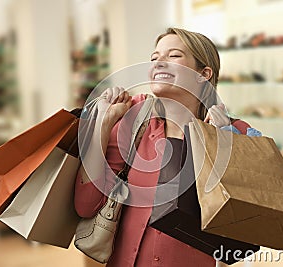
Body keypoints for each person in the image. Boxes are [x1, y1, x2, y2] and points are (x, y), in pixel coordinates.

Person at [74, 27, 254, 267]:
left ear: (204, 73)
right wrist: (104, 123)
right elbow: (85, 205)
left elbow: (245, 223)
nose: (160, 63)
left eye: (174, 55)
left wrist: (220, 139)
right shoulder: (134, 121)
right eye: (155, 58)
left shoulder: (235, 132)